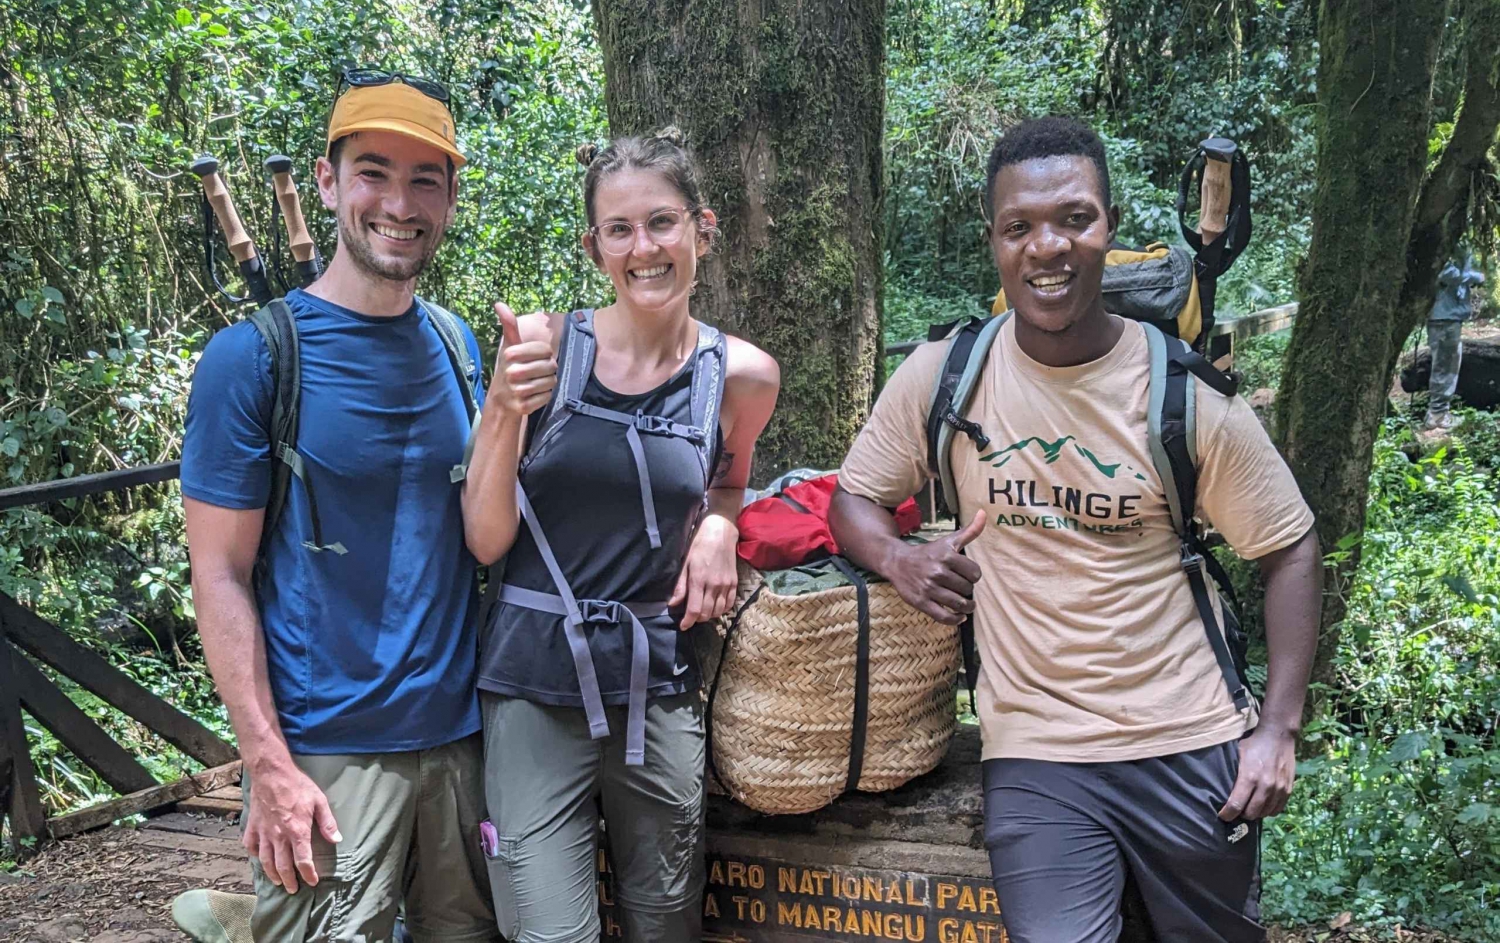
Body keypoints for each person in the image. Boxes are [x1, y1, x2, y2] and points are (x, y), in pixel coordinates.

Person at [829, 115, 1323, 943]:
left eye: (1074, 219)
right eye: (1019, 226)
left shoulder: (1180, 394)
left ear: (1109, 227)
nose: (1047, 246)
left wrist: (1277, 729)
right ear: (994, 241)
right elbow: (853, 497)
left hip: (1190, 738)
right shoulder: (947, 376)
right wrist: (897, 558)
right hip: (1038, 749)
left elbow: (1290, 547)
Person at [176, 70, 500, 942]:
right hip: (324, 755)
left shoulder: (455, 342)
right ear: (327, 182)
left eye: (424, 179)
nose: (399, 203)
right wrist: (267, 766)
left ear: (450, 198)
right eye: (373, 173)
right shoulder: (251, 359)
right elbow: (219, 572)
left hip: (460, 742)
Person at [460, 129, 780, 943]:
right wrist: (501, 406)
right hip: (534, 681)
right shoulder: (544, 350)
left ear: (702, 228)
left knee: (667, 920)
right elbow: (486, 539)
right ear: (594, 246)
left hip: (656, 682)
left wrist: (721, 524)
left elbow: (729, 479)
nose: (645, 248)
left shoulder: (742, 376)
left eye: (662, 222)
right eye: (620, 229)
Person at [1425, 251, 1486, 430]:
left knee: (1447, 365)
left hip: (1448, 317)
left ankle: (1439, 412)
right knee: (1444, 367)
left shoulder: (1455, 248)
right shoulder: (1445, 247)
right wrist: (1475, 277)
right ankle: (1437, 415)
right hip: (1444, 318)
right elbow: (1446, 273)